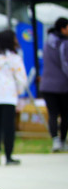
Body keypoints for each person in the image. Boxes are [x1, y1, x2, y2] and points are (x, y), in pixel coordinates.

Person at [0, 30, 27, 165]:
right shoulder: (14, 58)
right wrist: (18, 92)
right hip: (9, 96)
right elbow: (21, 79)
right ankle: (8, 156)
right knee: (8, 127)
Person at [39, 17, 68, 152]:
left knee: (53, 113)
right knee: (65, 114)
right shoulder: (64, 43)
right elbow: (65, 65)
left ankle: (55, 140)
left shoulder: (47, 42)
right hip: (62, 85)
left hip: (47, 85)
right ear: (63, 28)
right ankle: (62, 141)